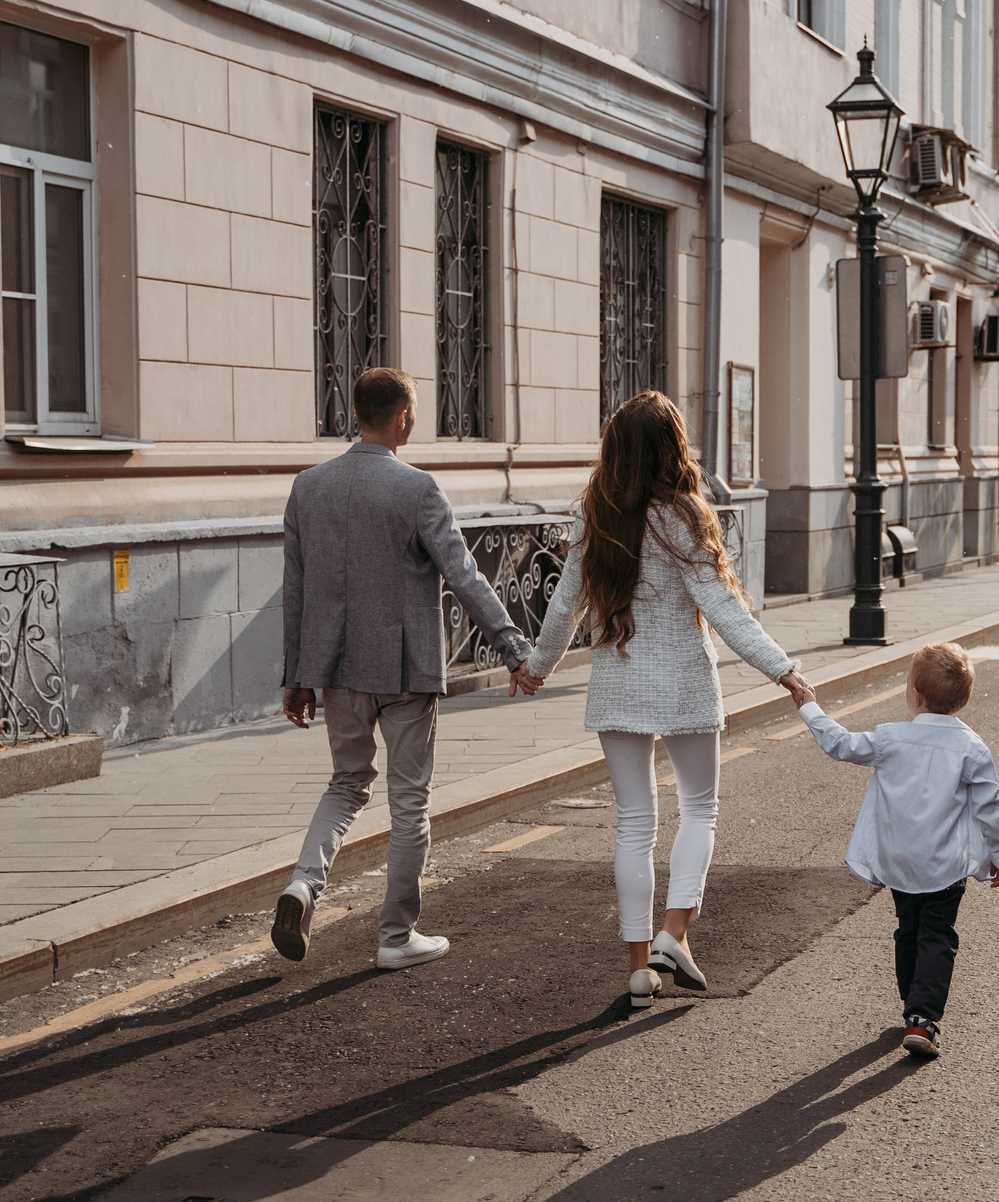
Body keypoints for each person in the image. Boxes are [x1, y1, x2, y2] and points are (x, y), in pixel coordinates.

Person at [514, 390, 811, 1010]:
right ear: (673, 447)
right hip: (682, 683)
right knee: (699, 808)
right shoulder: (684, 515)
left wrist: (537, 668)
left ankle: (637, 970)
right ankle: (672, 935)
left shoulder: (595, 516)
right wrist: (782, 670)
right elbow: (722, 607)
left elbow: (565, 603)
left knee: (634, 826)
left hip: (619, 682)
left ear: (616, 450)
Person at [272, 367, 533, 971]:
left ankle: (303, 885)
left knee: (347, 783)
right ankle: (395, 936)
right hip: (405, 669)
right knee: (408, 801)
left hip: (334, 667)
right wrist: (514, 648)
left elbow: (295, 588)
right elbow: (463, 575)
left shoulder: (307, 487)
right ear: (403, 418)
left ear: (355, 414)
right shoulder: (417, 488)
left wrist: (296, 674)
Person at [794, 642, 999, 1059]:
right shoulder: (972, 748)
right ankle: (922, 1019)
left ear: (915, 695)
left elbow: (839, 743)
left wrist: (809, 707)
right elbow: (992, 808)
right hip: (944, 866)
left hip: (898, 861)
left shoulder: (890, 738)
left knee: (908, 930)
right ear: (961, 700)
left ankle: (910, 1006)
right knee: (938, 936)